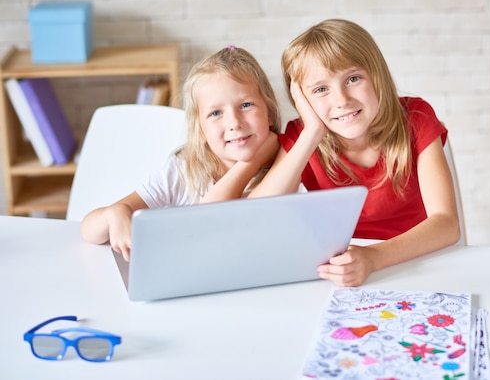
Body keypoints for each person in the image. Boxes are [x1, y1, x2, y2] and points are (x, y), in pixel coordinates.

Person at [249, 19, 460, 287]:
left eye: (353, 78)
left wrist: (372, 258)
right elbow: (257, 215)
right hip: (342, 271)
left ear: (377, 76)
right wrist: (312, 132)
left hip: (412, 262)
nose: (341, 100)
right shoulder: (302, 137)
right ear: (301, 99)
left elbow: (446, 224)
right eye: (320, 89)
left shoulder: (416, 119)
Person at [81, 46, 282, 261]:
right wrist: (116, 213)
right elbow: (88, 230)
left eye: (245, 105)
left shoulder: (287, 165)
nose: (234, 122)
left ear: (269, 113)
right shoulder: (183, 170)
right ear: (200, 130)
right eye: (216, 113)